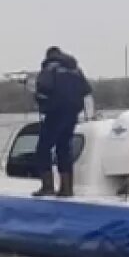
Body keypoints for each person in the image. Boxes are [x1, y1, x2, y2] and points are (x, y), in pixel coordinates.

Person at [32, 47, 92, 197]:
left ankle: (48, 187)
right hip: (72, 114)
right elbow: (86, 89)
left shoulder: (50, 67)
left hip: (55, 112)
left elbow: (43, 88)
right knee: (63, 148)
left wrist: (40, 101)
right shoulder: (75, 69)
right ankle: (67, 189)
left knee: (43, 148)